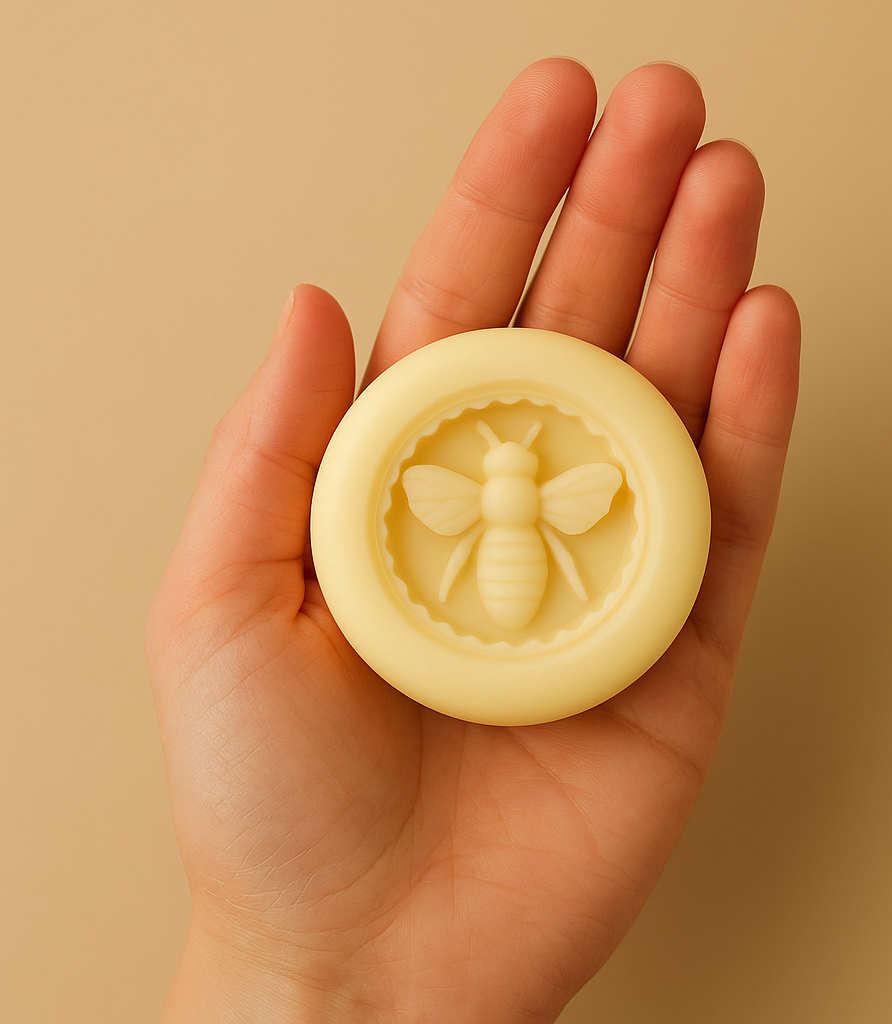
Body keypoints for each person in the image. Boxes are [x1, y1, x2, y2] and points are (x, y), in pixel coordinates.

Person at [146, 57, 800, 1022]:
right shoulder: (550, 494)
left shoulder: (453, 494)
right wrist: (314, 954)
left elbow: (445, 515)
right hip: (533, 583)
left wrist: (314, 972)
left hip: (515, 586)